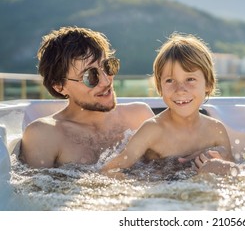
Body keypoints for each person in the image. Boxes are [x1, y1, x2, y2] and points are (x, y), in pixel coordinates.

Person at [101, 32, 238, 176]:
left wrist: (222, 157)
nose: (180, 90)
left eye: (190, 79)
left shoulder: (216, 130)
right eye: (170, 81)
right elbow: (108, 170)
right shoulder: (152, 130)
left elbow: (232, 167)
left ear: (208, 84)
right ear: (160, 88)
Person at [19, 26, 155, 168]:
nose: (106, 81)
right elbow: (37, 189)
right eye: (90, 76)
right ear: (59, 86)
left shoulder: (140, 116)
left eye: (108, 67)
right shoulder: (45, 135)